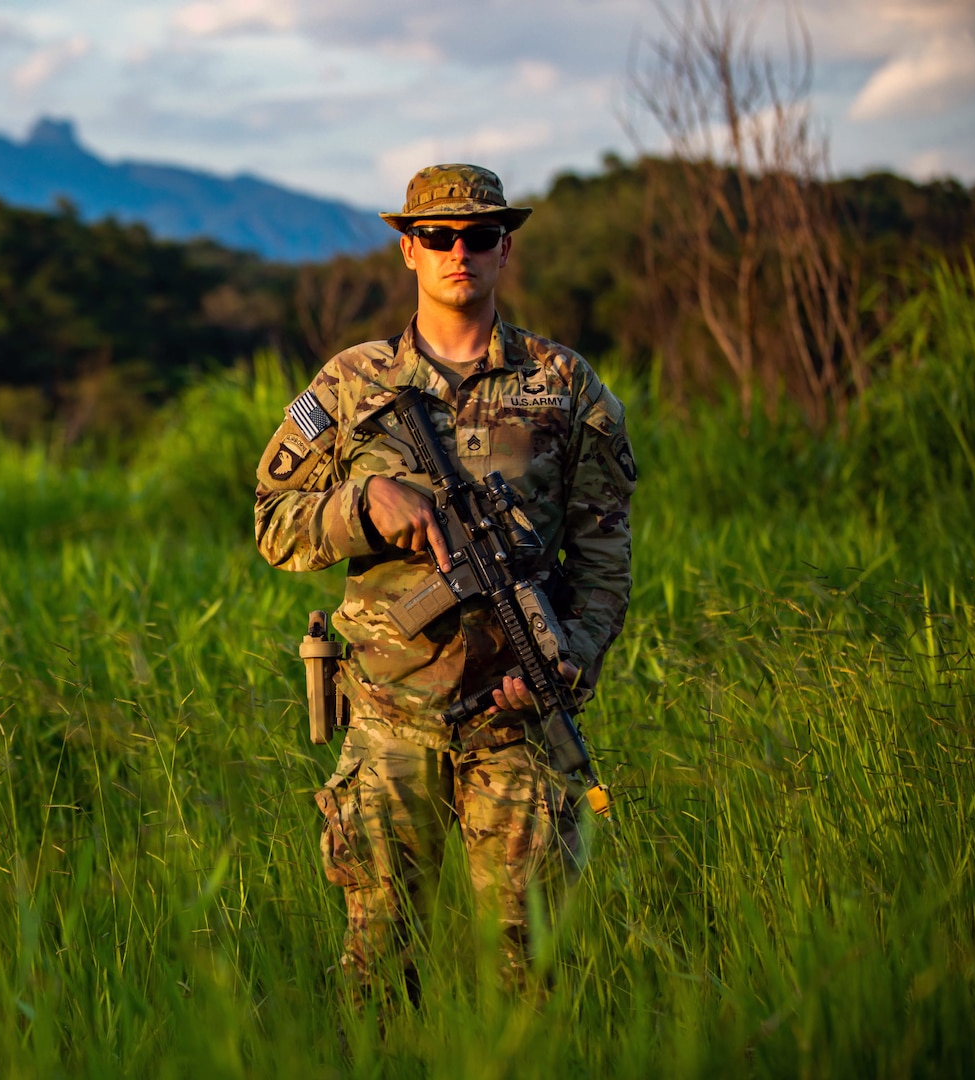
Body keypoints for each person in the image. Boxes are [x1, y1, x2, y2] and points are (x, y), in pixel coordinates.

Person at [254, 164, 636, 998]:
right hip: (391, 725)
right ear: (408, 251)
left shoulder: (565, 387)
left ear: (506, 248)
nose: (459, 251)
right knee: (379, 977)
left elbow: (604, 556)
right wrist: (364, 503)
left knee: (527, 978)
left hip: (517, 727)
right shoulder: (350, 386)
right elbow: (273, 522)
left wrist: (571, 659)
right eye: (438, 237)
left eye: (480, 236)